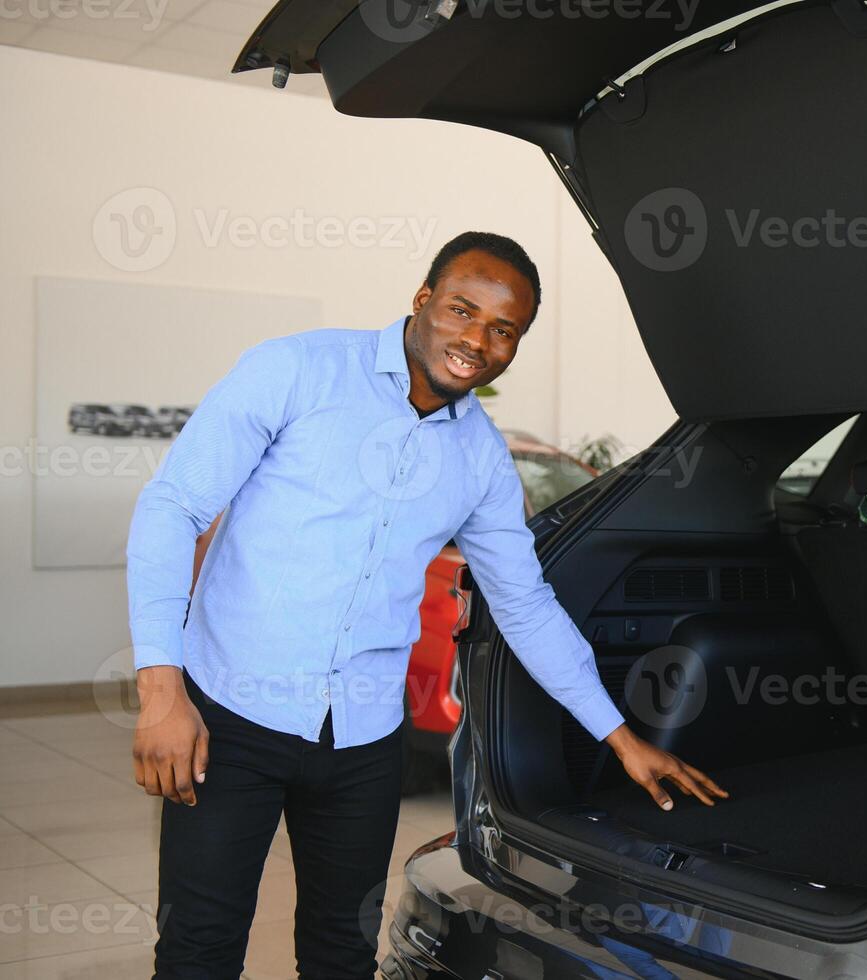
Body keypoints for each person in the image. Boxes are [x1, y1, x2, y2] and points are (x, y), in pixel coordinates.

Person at [126, 231, 727, 979]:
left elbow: (524, 602)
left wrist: (619, 736)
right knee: (198, 952)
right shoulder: (296, 370)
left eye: (503, 329)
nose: (477, 339)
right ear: (422, 301)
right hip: (231, 718)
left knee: (341, 952)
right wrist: (161, 692)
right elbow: (172, 508)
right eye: (462, 310)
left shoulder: (478, 456)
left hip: (364, 741)